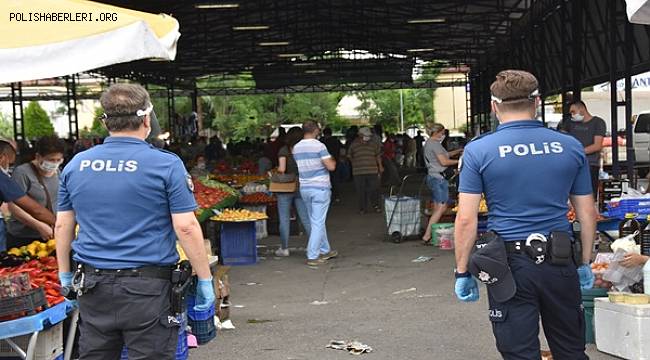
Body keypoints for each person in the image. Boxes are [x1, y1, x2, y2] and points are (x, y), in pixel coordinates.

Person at [55, 84, 215, 359]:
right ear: (146, 120)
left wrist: (65, 274)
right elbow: (186, 226)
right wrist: (204, 278)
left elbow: (62, 225)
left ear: (105, 122)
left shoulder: (76, 165)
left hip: (93, 286)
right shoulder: (165, 164)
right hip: (148, 290)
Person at [453, 70, 597, 359]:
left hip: (508, 266)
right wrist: (583, 262)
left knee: (519, 351)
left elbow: (466, 219)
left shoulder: (478, 151)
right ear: (537, 102)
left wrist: (462, 271)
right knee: (570, 349)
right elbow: (587, 213)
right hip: (560, 261)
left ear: (494, 106)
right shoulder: (569, 146)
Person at [293, 121, 338, 267]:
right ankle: (312, 255)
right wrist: (332, 160)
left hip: (305, 188)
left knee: (316, 220)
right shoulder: (319, 146)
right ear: (315, 130)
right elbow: (330, 166)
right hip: (320, 188)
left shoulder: (296, 148)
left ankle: (325, 250)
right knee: (318, 221)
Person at [7, 136, 64, 248]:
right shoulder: (22, 173)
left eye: (59, 160)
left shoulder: (58, 172)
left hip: (51, 235)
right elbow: (13, 206)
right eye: (51, 160)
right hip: (24, 237)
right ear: (38, 156)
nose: (55, 163)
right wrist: (38, 225)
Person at [421, 124, 462, 243]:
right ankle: (427, 235)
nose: (443, 135)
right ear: (437, 132)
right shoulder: (434, 144)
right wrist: (460, 161)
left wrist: (458, 151)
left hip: (433, 176)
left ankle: (430, 234)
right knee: (442, 207)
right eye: (442, 132)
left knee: (437, 207)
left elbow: (444, 155)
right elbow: (444, 161)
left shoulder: (430, 143)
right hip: (438, 178)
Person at [274, 127, 311, 257]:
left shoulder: (284, 150)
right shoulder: (305, 150)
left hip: (285, 187)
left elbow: (282, 169)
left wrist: (275, 171)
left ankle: (284, 248)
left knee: (284, 219)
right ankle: (313, 246)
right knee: (305, 218)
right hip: (301, 184)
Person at [561, 100, 606, 194]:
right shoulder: (570, 123)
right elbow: (562, 137)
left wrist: (577, 152)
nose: (572, 115)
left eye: (573, 112)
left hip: (590, 163)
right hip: (572, 163)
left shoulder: (598, 122)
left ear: (582, 109)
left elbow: (597, 146)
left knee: (589, 193)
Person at [348, 127, 383, 214]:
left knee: (374, 189)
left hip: (373, 171)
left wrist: (380, 166)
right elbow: (349, 155)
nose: (368, 137)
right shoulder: (354, 144)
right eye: (366, 135)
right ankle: (362, 208)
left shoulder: (373, 144)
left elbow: (377, 155)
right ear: (360, 135)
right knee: (360, 190)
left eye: (368, 136)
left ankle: (376, 206)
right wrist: (354, 163)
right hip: (358, 172)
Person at [321, 127, 342, 203]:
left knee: (325, 181)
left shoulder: (321, 141)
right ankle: (336, 196)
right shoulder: (336, 141)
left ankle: (327, 197)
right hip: (335, 162)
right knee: (335, 180)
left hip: (323, 164)